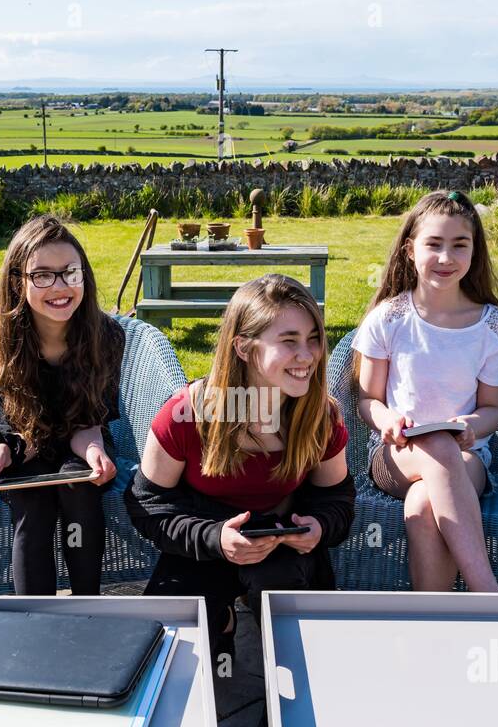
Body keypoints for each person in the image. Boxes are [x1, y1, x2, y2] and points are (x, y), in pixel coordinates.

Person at [125, 274, 355, 663]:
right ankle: (223, 619)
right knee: (166, 661)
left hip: (283, 550)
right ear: (244, 348)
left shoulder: (319, 415)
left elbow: (337, 499)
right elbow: (147, 506)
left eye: (313, 338)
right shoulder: (186, 414)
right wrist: (216, 538)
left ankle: (291, 714)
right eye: (289, 341)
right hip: (200, 546)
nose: (308, 355)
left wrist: (319, 528)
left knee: (301, 648)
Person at [352, 190, 498, 592]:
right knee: (437, 447)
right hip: (394, 456)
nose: (446, 257)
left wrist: (471, 424)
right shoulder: (389, 318)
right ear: (410, 250)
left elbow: (494, 409)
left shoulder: (490, 325)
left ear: (474, 252)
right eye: (433, 244)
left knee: (424, 501)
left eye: (460, 245)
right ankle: (489, 595)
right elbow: (366, 401)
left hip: (467, 457)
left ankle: (435, 621)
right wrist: (388, 419)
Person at [0, 214, 123, 595]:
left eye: (70, 272)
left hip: (83, 438)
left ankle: (88, 604)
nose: (60, 286)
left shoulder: (106, 337)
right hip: (29, 441)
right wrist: (2, 452)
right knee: (31, 503)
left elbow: (92, 416)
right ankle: (35, 619)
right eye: (42, 275)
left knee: (79, 488)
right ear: (18, 281)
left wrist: (93, 450)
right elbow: (11, 420)